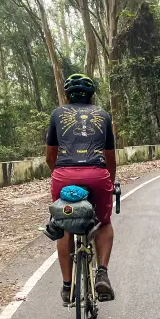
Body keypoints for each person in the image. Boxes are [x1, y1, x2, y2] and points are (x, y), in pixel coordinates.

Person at [45, 74, 116, 305]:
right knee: (104, 223)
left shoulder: (57, 114)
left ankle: (67, 287)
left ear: (67, 95)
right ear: (92, 96)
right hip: (97, 174)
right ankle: (102, 273)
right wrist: (110, 182)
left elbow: (50, 156)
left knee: (65, 227)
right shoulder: (103, 115)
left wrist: (57, 174)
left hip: (63, 175)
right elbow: (110, 158)